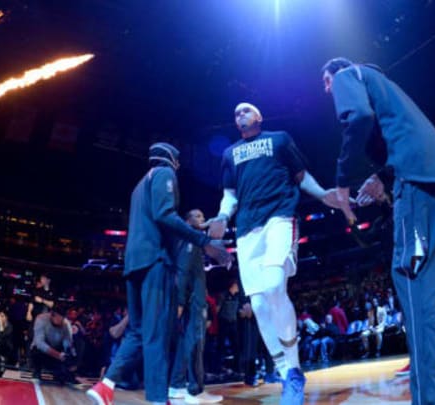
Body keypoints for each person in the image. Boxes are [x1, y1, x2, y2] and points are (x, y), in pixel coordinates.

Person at [321, 57, 435, 405]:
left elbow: (359, 118)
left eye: (325, 81)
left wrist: (342, 182)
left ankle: (431, 399)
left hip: (419, 187)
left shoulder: (350, 75)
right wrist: (383, 177)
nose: (327, 90)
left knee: (421, 296)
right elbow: (402, 139)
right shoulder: (391, 90)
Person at [207, 103, 337, 405]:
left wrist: (323, 194)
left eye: (246, 110)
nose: (239, 113)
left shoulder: (280, 139)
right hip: (246, 229)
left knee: (275, 285)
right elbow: (230, 196)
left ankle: (293, 369)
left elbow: (301, 176)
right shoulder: (229, 154)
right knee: (259, 304)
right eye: (236, 112)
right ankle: (285, 371)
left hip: (279, 217)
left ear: (259, 117)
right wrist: (222, 217)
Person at [87, 143, 231, 405]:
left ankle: (106, 385)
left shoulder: (138, 186)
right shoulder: (165, 174)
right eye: (177, 161)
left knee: (138, 331)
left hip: (133, 263)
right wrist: (203, 240)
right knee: (156, 336)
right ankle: (156, 400)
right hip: (154, 261)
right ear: (171, 160)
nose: (178, 166)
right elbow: (165, 215)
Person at [169, 209, 223, 404]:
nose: (202, 219)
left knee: (186, 344)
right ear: (187, 220)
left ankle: (176, 386)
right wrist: (181, 302)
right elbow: (182, 272)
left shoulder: (192, 241)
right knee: (195, 344)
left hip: (193, 300)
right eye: (198, 216)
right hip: (194, 303)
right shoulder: (190, 240)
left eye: (203, 215)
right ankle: (195, 390)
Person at [30, 304, 78, 385]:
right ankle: (36, 372)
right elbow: (39, 343)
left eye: (62, 318)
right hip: (41, 351)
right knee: (36, 350)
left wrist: (71, 358)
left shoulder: (66, 324)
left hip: (57, 349)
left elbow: (68, 342)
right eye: (58, 318)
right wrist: (57, 355)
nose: (60, 321)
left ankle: (62, 373)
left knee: (62, 375)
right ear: (52, 315)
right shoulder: (41, 319)